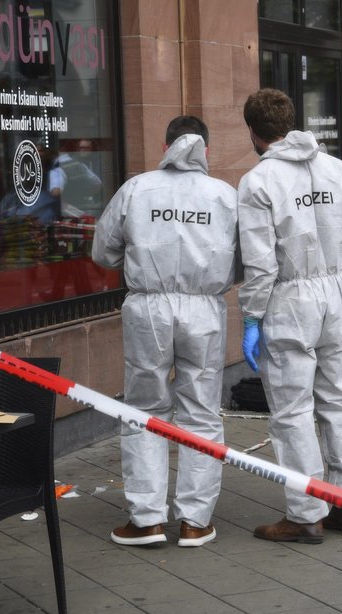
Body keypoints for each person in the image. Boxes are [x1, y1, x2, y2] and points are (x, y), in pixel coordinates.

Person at [237, 89, 342, 543]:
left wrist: (252, 317)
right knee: (339, 401)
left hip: (290, 298)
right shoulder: (335, 167)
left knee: (293, 410)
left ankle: (306, 514)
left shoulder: (259, 182)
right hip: (337, 292)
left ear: (254, 133)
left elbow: (260, 264)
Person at [91, 116, 238, 548]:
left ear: (165, 143)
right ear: (206, 150)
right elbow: (246, 258)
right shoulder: (225, 196)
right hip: (205, 310)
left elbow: (103, 250)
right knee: (202, 412)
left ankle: (147, 519)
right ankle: (195, 520)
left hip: (148, 308)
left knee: (143, 409)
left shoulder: (138, 188)